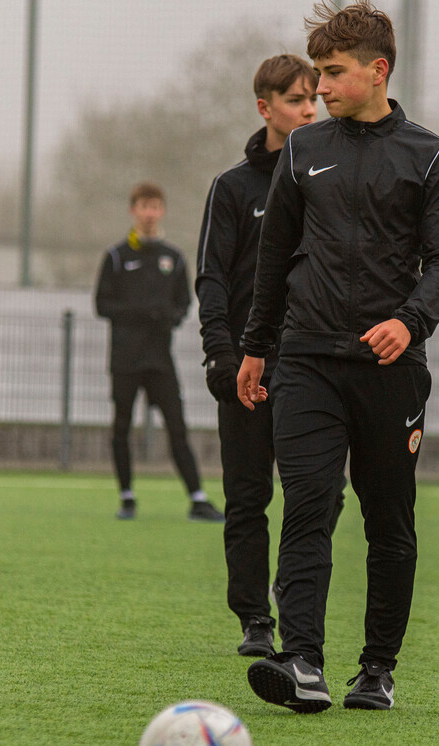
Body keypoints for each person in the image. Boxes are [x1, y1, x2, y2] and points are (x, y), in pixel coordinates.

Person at [237, 1, 439, 713]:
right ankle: (302, 662)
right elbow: (275, 256)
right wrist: (256, 348)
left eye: (334, 74)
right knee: (309, 500)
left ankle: (377, 671)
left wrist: (411, 319)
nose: (322, 88)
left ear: (379, 70)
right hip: (306, 359)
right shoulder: (304, 151)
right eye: (317, 75)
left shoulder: (428, 155)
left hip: (390, 371)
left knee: (388, 519)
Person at [195, 55, 345, 660]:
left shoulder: (327, 177)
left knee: (323, 494)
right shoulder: (232, 188)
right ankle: (255, 617)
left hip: (310, 363)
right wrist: (220, 357)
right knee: (248, 494)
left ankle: (293, 583)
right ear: (265, 107)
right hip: (246, 366)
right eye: (296, 100)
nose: (310, 109)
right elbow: (210, 279)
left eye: (314, 99)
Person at [94, 182, 224, 523]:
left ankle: (197, 498)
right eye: (143, 206)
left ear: (162, 211)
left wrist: (168, 316)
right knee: (121, 427)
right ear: (133, 210)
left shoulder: (174, 257)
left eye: (155, 206)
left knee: (177, 427)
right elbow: (102, 304)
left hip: (160, 360)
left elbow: (184, 302)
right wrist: (142, 313)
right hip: (124, 359)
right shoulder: (116, 256)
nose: (149, 213)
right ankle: (127, 497)